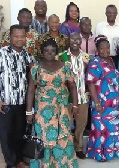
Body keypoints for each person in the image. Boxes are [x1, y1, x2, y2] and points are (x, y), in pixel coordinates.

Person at [0, 24, 35, 168]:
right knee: (6, 136)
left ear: (26, 38)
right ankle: (11, 163)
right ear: (10, 37)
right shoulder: (0, 54)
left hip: (22, 103)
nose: (19, 39)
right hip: (4, 103)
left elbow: (33, 79)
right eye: (16, 36)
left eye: (22, 36)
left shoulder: (28, 56)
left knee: (20, 134)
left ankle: (19, 160)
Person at [26, 38, 79, 168]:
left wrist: (76, 104)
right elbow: (31, 90)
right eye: (46, 50)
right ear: (42, 52)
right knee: (44, 136)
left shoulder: (65, 66)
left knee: (63, 135)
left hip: (62, 108)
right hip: (43, 110)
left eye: (52, 50)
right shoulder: (35, 67)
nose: (49, 53)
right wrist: (29, 112)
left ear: (56, 52)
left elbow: (72, 86)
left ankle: (62, 164)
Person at [86, 35, 119, 162]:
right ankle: (99, 154)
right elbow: (90, 83)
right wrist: (97, 103)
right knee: (101, 129)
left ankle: (111, 152)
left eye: (107, 47)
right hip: (101, 103)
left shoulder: (111, 61)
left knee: (112, 129)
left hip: (113, 104)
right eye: (102, 48)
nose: (105, 50)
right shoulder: (95, 62)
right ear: (97, 50)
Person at [59, 32, 90, 159]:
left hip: (82, 96)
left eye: (78, 39)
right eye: (73, 39)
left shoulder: (87, 57)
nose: (75, 42)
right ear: (69, 40)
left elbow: (89, 77)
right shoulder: (61, 57)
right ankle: (65, 148)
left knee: (80, 125)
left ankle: (78, 148)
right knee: (65, 124)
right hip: (67, 97)